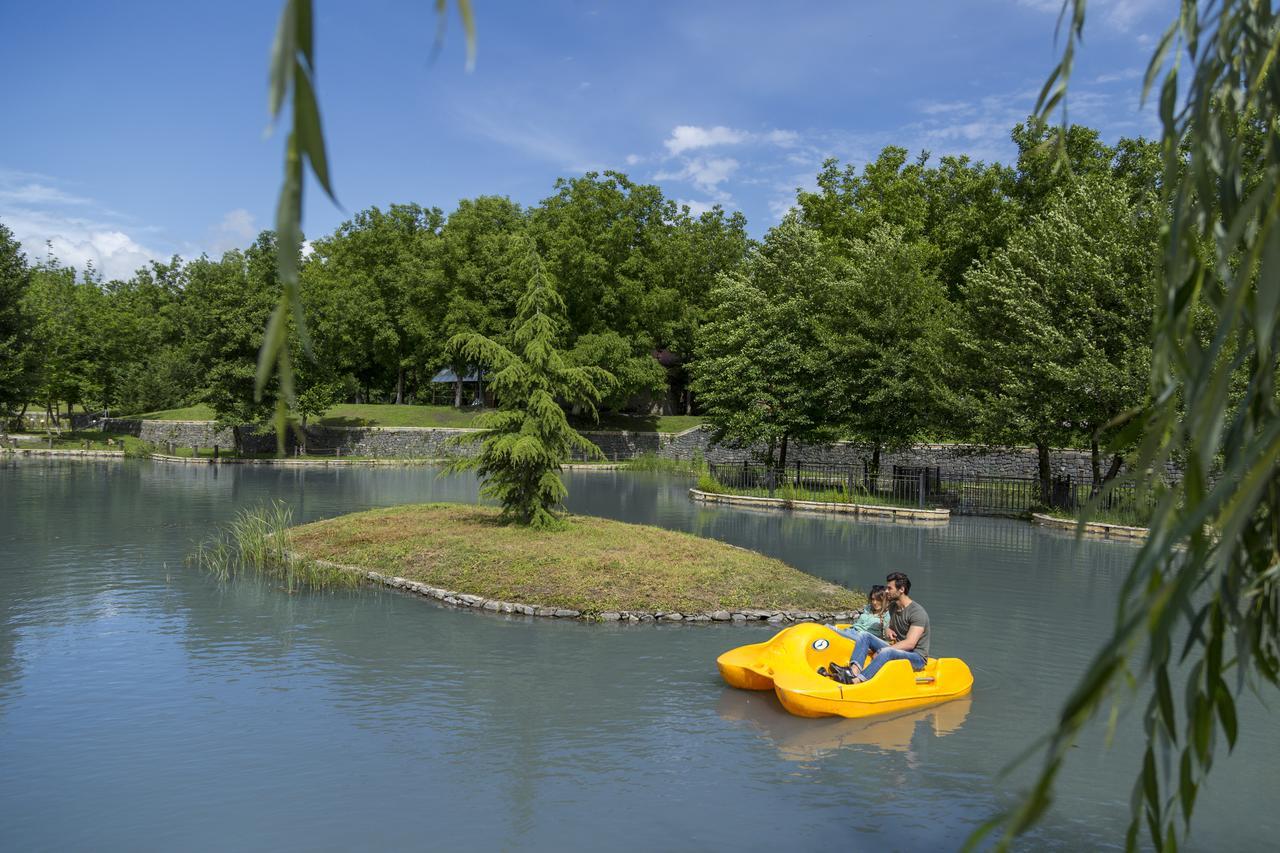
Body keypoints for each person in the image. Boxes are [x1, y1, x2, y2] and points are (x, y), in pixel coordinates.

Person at [826, 572, 930, 684]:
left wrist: (882, 650)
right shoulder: (893, 607)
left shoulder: (917, 612)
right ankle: (853, 671)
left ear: (901, 590)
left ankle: (857, 681)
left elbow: (910, 643)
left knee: (887, 652)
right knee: (864, 636)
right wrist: (888, 629)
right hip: (899, 650)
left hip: (916, 657)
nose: (886, 591)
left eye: (890, 588)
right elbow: (887, 625)